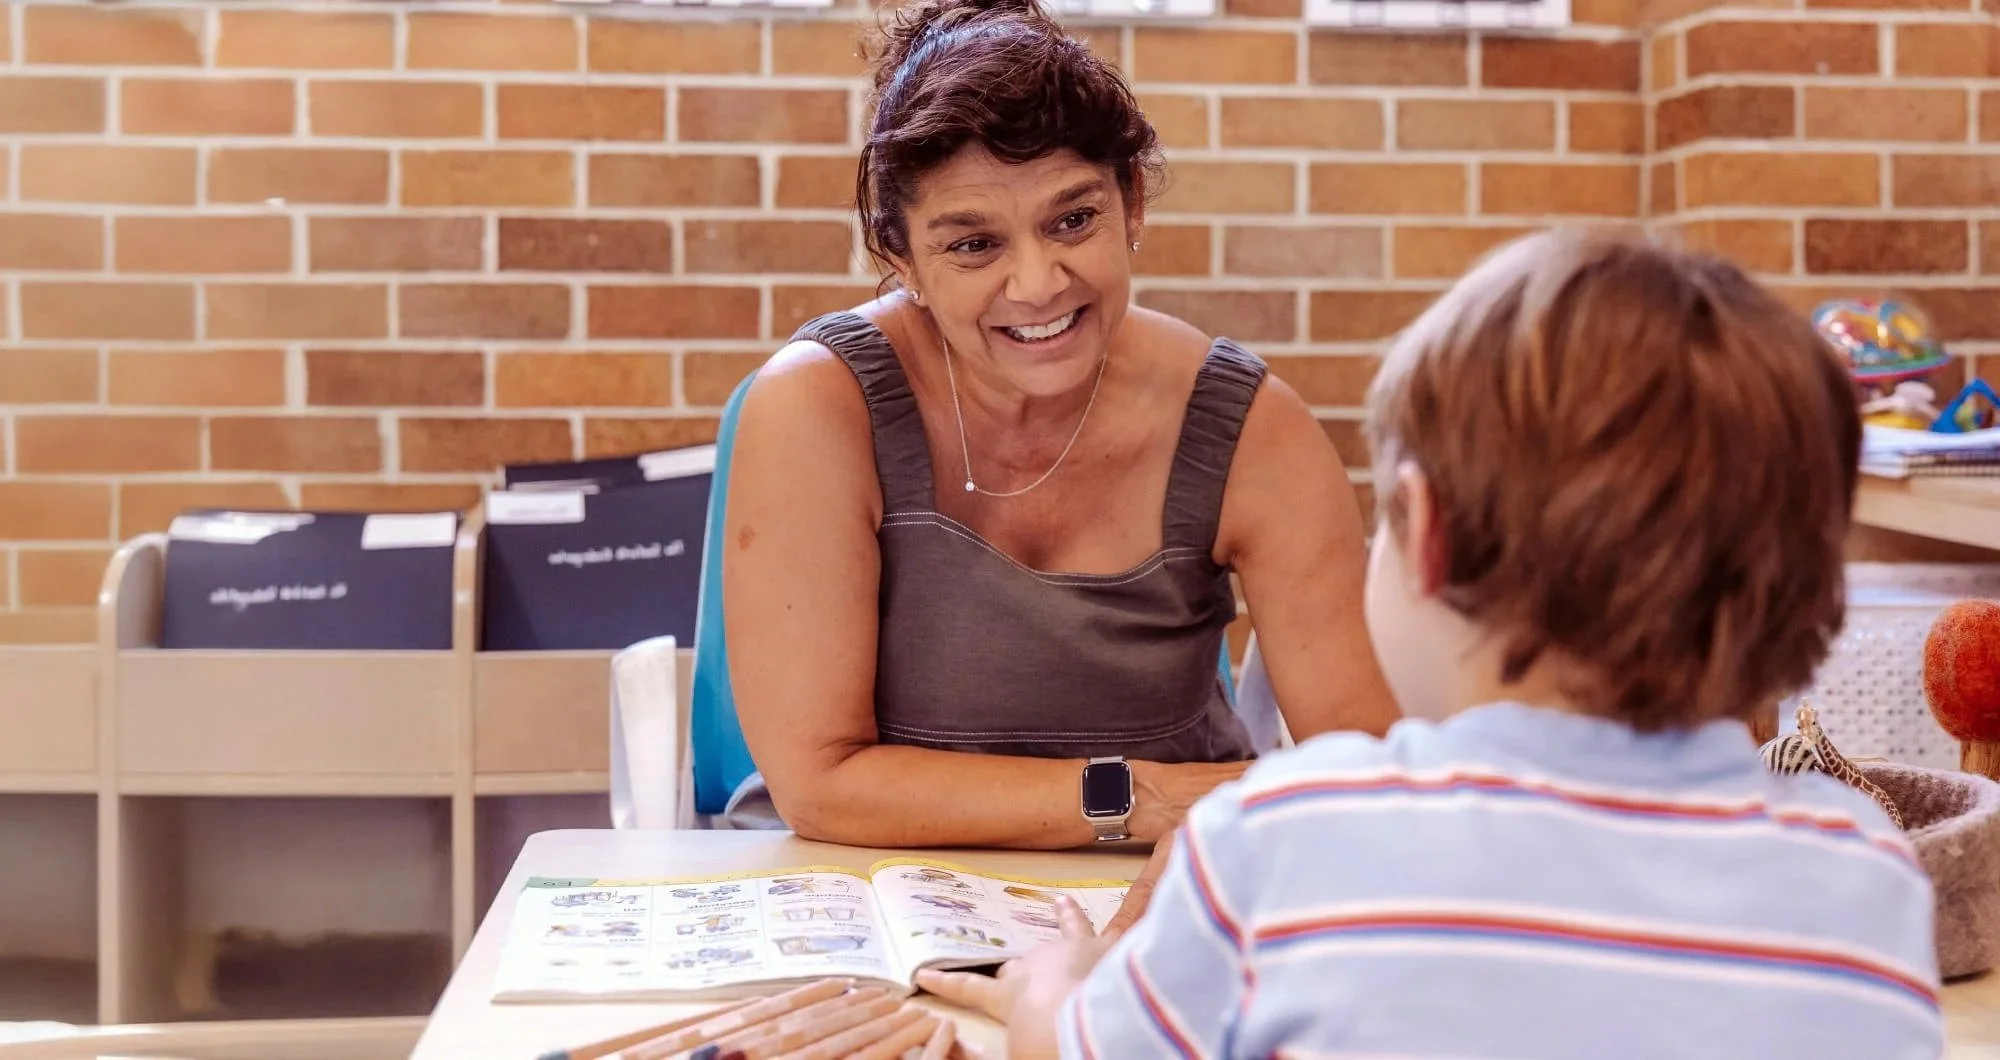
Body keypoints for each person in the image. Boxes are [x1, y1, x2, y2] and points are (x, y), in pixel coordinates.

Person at [920, 227, 1946, 1058]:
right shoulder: (1861, 873)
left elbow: (1080, 1049)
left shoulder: (1284, 837)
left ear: (1425, 535)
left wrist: (1047, 980)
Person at [719, 0, 1399, 909]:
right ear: (901, 258)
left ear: (1132, 203)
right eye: (973, 244)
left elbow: (1365, 781)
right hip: (862, 896)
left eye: (1072, 221)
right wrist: (1140, 795)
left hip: (1163, 906)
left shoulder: (1251, 429)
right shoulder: (817, 404)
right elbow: (821, 782)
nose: (1037, 283)